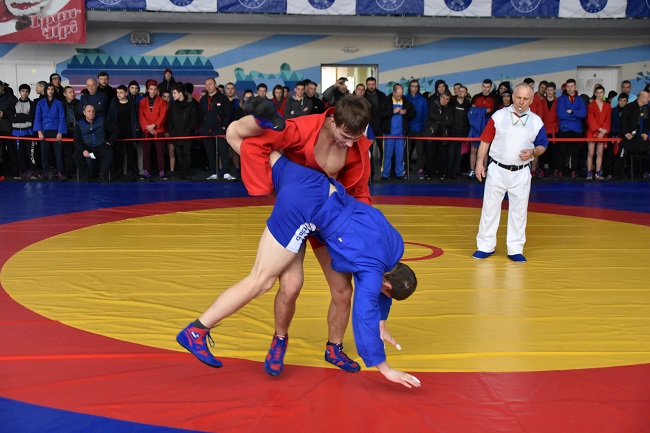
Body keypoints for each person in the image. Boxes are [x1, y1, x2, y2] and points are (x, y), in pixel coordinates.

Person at [177, 150, 420, 388]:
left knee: (343, 291)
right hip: (304, 212)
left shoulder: (395, 246)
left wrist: (381, 321)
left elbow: (382, 290)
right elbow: (365, 313)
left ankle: (333, 348)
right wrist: (384, 368)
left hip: (325, 210)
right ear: (385, 283)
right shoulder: (373, 270)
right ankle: (211, 330)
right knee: (273, 282)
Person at [226, 95, 372, 375]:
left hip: (326, 217)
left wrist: (366, 225)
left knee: (343, 290)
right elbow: (256, 141)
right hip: (295, 214)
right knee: (291, 286)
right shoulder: (302, 128)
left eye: (355, 138)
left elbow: (360, 189)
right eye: (345, 137)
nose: (349, 144)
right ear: (333, 121)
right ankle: (279, 339)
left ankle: (334, 347)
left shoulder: (356, 147)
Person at [472, 84, 548, 263]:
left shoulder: (536, 121)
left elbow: (542, 145)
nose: (521, 102)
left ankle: (515, 248)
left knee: (519, 211)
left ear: (531, 100)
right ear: (513, 97)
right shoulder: (499, 116)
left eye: (525, 99)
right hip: (497, 169)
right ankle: (485, 246)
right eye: (518, 98)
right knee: (490, 208)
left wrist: (533, 152)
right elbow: (485, 141)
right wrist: (479, 163)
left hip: (521, 172)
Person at [73, 104, 118, 183]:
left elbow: (116, 130)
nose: (91, 113)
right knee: (77, 155)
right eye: (89, 111)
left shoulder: (101, 120)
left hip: (100, 146)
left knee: (108, 153)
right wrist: (83, 150)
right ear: (84, 112)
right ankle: (84, 176)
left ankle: (102, 175)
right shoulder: (79, 124)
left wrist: (110, 142)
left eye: (93, 111)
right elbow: (77, 140)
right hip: (86, 146)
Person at [200, 78, 234, 180]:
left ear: (215, 84)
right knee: (210, 152)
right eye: (206, 84)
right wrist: (202, 128)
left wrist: (224, 127)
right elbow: (200, 115)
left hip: (220, 130)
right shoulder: (203, 99)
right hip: (207, 130)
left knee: (223, 151)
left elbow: (228, 114)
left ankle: (226, 173)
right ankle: (213, 173)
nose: (208, 86)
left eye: (210, 84)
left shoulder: (223, 98)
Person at [381, 84, 414, 180]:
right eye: (398, 95)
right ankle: (385, 175)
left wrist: (406, 112)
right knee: (387, 155)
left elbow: (413, 113)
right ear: (393, 92)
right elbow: (381, 114)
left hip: (401, 133)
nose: (399, 97)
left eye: (401, 95)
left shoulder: (406, 101)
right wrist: (393, 112)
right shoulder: (386, 100)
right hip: (389, 133)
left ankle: (400, 174)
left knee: (400, 155)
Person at [555, 79, 587, 178]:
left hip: (576, 129)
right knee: (562, 151)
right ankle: (560, 171)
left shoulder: (580, 99)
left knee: (575, 152)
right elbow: (561, 114)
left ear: (575, 86)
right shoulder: (561, 99)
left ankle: (573, 171)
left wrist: (572, 112)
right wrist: (575, 116)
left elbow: (583, 113)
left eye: (571, 86)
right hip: (564, 128)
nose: (569, 89)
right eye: (568, 86)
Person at [34, 83, 67, 180]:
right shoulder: (40, 103)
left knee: (58, 154)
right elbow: (37, 117)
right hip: (44, 130)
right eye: (48, 89)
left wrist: (60, 132)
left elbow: (62, 118)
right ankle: (45, 172)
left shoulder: (59, 103)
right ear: (45, 90)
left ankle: (60, 172)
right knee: (44, 153)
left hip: (56, 130)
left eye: (52, 89)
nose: (50, 91)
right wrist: (39, 131)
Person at [615, 91, 650, 178]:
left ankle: (640, 173)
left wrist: (645, 132)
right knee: (623, 154)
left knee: (642, 152)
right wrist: (626, 132)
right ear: (642, 98)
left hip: (640, 137)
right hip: (629, 137)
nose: (649, 99)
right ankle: (619, 174)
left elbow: (647, 123)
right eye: (648, 97)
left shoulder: (647, 108)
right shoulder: (629, 107)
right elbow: (623, 121)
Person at [108, 85, 139, 181]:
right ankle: (118, 172)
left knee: (130, 153)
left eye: (121, 92)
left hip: (129, 131)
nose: (119, 94)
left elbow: (135, 118)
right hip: (117, 132)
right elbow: (109, 117)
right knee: (118, 153)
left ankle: (130, 172)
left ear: (126, 93)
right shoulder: (114, 103)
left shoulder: (132, 104)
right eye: (117, 92)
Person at [167, 83, 197, 181]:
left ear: (180, 93)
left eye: (175, 93)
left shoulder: (190, 104)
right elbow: (169, 120)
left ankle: (187, 173)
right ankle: (181, 173)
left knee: (187, 154)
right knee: (179, 154)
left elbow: (193, 120)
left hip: (187, 135)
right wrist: (172, 132)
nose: (173, 95)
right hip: (176, 135)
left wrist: (188, 132)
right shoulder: (173, 105)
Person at [139, 79, 167, 180]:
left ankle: (161, 170)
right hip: (147, 130)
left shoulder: (162, 101)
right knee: (146, 151)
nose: (153, 91)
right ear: (148, 90)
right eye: (151, 89)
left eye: (155, 89)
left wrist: (154, 125)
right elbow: (141, 116)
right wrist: (148, 127)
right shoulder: (142, 102)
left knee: (160, 151)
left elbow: (163, 115)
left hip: (158, 129)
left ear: (157, 90)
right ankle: (146, 170)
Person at [585, 85, 611, 180]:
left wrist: (604, 131)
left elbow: (608, 119)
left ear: (604, 93)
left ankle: (598, 172)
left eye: (601, 92)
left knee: (600, 153)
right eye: (598, 92)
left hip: (603, 132)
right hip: (593, 131)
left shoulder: (607, 106)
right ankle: (589, 172)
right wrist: (599, 129)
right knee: (591, 153)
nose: (600, 94)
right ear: (595, 93)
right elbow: (590, 119)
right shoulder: (591, 105)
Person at [10, 83, 36, 180]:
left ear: (29, 93)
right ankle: (22, 172)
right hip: (16, 132)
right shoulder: (14, 103)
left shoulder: (32, 104)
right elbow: (11, 118)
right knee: (20, 154)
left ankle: (33, 172)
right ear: (20, 92)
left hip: (28, 132)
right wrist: (24, 117)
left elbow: (31, 118)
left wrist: (18, 116)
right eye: (22, 91)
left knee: (31, 154)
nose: (24, 93)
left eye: (26, 91)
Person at [405, 80, 428, 180]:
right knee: (406, 151)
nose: (414, 88)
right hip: (408, 130)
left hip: (419, 130)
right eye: (412, 86)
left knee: (420, 152)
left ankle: (420, 170)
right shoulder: (405, 98)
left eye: (416, 86)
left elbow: (425, 116)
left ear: (418, 88)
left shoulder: (423, 100)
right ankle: (405, 170)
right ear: (409, 87)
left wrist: (424, 129)